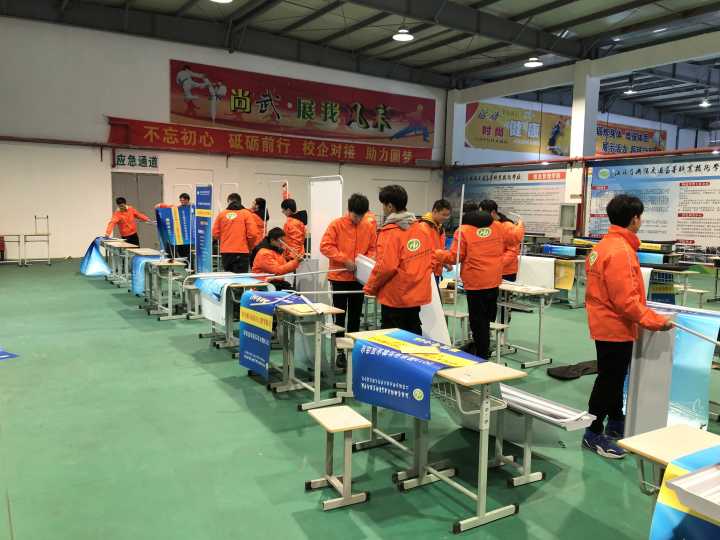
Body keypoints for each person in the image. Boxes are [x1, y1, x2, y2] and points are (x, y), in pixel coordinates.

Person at [582, 194, 672, 459]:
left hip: (605, 322)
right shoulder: (620, 251)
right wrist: (656, 321)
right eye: (640, 217)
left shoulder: (603, 246)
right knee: (609, 379)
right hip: (614, 325)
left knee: (614, 376)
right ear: (634, 219)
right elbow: (625, 301)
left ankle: (615, 420)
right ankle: (592, 432)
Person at [364, 185, 433, 334]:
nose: (383, 208)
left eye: (383, 205)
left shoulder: (390, 232)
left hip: (395, 296)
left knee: (393, 339)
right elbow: (429, 259)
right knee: (413, 335)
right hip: (416, 294)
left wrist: (370, 287)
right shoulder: (422, 229)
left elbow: (386, 266)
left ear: (390, 206)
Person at [436, 210, 505, 359]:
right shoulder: (497, 227)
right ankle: (483, 348)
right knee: (487, 319)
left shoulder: (464, 231)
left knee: (478, 321)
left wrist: (436, 253)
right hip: (494, 280)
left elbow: (455, 257)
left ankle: (481, 355)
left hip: (476, 282)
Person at [320, 194, 377, 366]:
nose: (358, 219)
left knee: (355, 317)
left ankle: (353, 351)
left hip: (359, 279)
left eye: (361, 216)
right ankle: (340, 352)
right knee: (339, 316)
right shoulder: (336, 224)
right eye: (355, 215)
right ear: (349, 210)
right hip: (339, 278)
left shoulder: (368, 226)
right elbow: (325, 246)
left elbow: (373, 248)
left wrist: (364, 261)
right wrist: (344, 260)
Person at [479, 199, 525, 281]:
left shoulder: (507, 226)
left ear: (493, 212)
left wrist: (496, 264)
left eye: (483, 213)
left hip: (505, 272)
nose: (481, 216)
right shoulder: (488, 225)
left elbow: (512, 250)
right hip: (491, 269)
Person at [212, 196, 259, 273]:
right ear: (240, 202)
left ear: (229, 202)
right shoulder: (246, 214)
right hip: (242, 251)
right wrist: (250, 247)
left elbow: (215, 234)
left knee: (228, 277)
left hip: (225, 252)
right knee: (240, 278)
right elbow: (253, 234)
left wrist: (225, 240)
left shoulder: (222, 214)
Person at [419, 199, 452, 282]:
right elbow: (425, 253)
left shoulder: (439, 228)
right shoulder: (423, 227)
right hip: (428, 272)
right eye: (443, 214)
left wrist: (444, 263)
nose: (446, 218)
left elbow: (440, 249)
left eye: (448, 215)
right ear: (435, 211)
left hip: (436, 271)